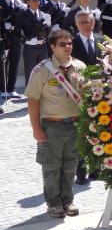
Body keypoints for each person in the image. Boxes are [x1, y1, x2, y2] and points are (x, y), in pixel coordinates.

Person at [25, 30, 86, 218]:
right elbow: (33, 100)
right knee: (51, 166)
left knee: (71, 166)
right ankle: (53, 203)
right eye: (62, 44)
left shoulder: (80, 67)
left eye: (69, 43)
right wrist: (36, 128)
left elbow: (87, 98)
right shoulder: (42, 69)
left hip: (74, 125)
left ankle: (67, 200)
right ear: (52, 47)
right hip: (52, 126)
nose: (68, 46)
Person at [70, 11, 100, 185]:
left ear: (93, 23)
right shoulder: (71, 44)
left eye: (88, 22)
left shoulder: (102, 41)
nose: (85, 25)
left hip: (99, 94)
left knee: (98, 130)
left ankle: (96, 168)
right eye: (81, 23)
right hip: (79, 94)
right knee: (81, 133)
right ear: (76, 25)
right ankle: (80, 172)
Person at [17, 0, 53, 87]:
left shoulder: (44, 15)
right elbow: (16, 33)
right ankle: (30, 95)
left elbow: (48, 33)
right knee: (30, 72)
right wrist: (25, 40)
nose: (36, 2)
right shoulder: (22, 15)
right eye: (33, 0)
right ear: (28, 2)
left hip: (42, 46)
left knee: (43, 71)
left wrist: (48, 26)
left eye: (38, 0)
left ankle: (43, 92)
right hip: (30, 48)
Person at [0, 0, 26, 98]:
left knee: (14, 64)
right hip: (3, 39)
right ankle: (2, 89)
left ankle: (11, 89)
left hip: (15, 38)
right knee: (2, 65)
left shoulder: (18, 3)